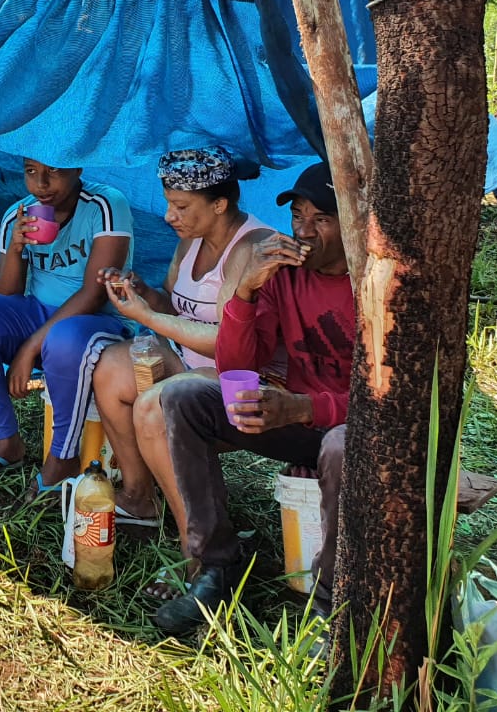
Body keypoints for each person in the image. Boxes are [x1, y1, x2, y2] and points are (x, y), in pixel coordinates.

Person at [149, 161, 354, 635]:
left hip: (347, 426)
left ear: (356, 219)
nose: (303, 231)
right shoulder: (284, 275)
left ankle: (328, 608)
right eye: (298, 216)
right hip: (296, 420)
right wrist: (243, 290)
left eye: (321, 220)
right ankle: (215, 568)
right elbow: (234, 365)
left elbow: (391, 398)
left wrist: (307, 407)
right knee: (185, 395)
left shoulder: (374, 281)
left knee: (340, 447)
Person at [93, 147, 273, 543]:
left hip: (242, 380)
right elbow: (176, 306)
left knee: (156, 403)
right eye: (169, 204)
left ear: (220, 204)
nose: (168, 216)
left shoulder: (251, 249)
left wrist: (149, 318)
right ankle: (140, 498)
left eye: (180, 206)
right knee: (109, 368)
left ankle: (200, 546)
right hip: (190, 364)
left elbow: (231, 346)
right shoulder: (192, 238)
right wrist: (141, 294)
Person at [0, 159, 133, 498]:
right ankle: (5, 439)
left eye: (54, 171)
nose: (41, 184)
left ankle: (63, 457)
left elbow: (95, 292)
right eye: (31, 172)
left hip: (101, 321)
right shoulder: (17, 215)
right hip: (40, 314)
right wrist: (16, 249)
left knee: (63, 337)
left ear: (78, 169)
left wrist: (31, 346)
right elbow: (5, 295)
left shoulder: (106, 206)